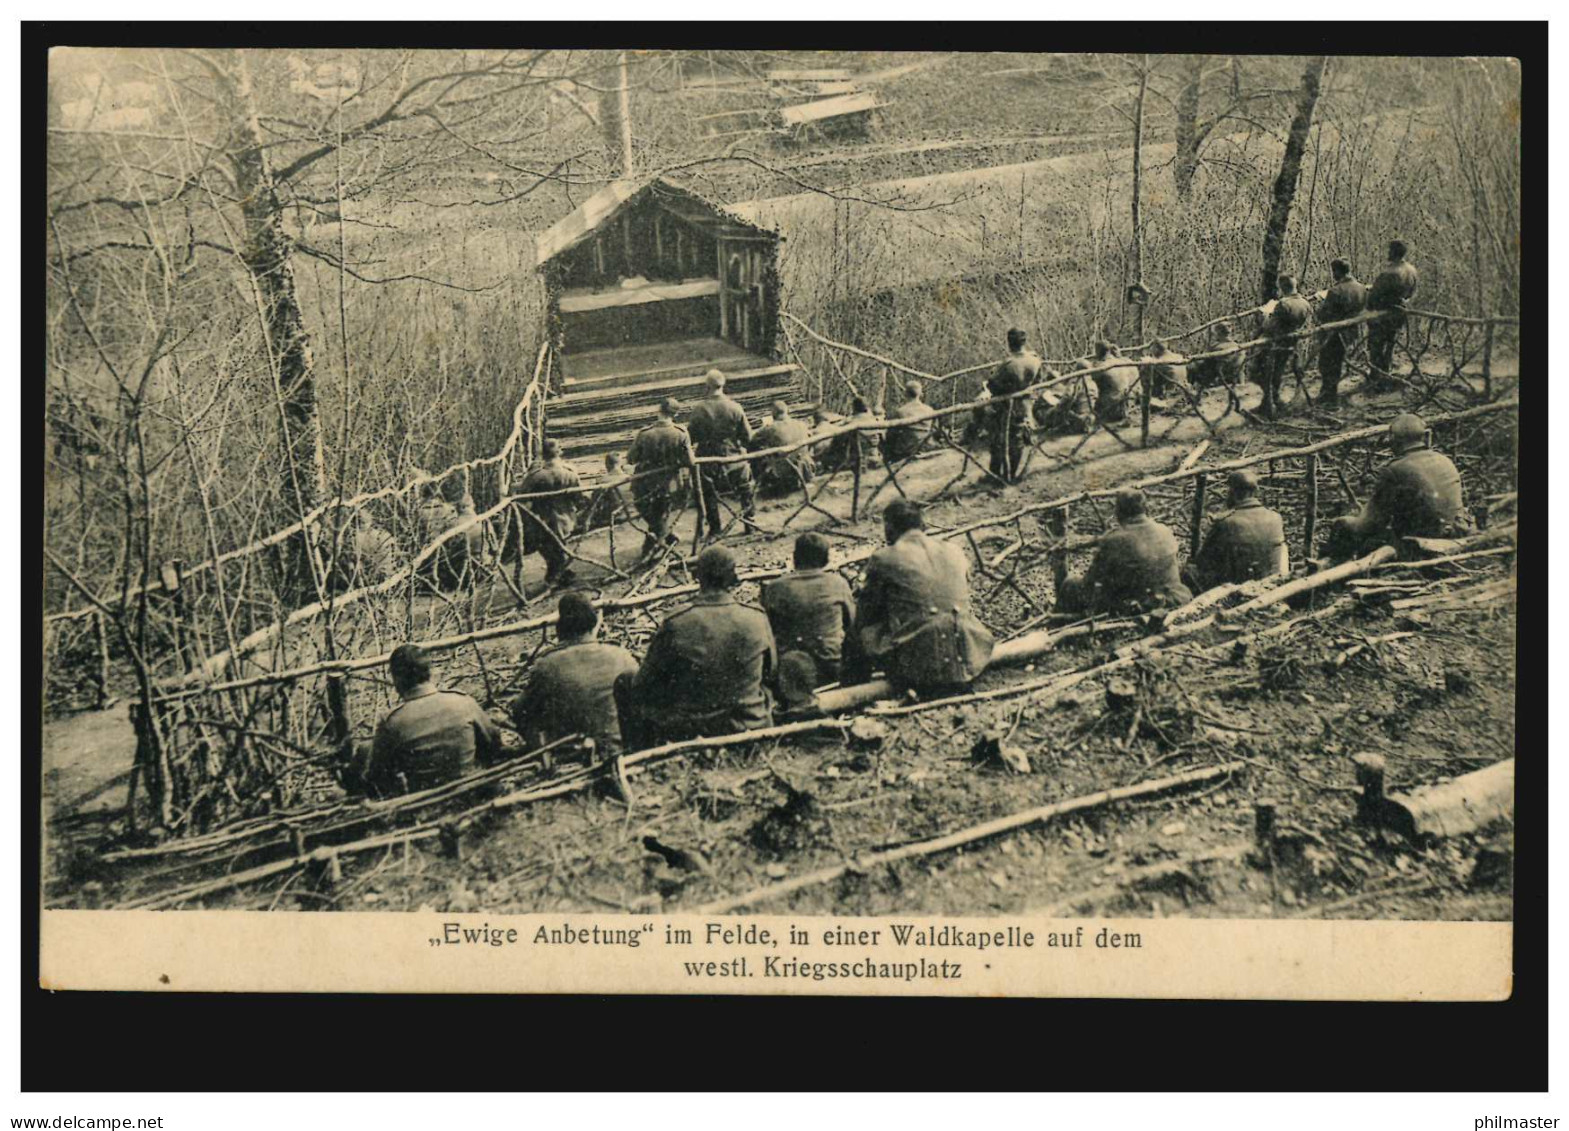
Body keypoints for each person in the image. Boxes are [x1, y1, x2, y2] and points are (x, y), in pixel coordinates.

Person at [615, 545, 776, 749]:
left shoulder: (677, 621)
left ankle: (636, 757)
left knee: (626, 681)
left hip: (691, 733)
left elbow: (643, 684)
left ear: (699, 577)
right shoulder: (756, 617)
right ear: (732, 578)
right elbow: (771, 673)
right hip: (749, 726)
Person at [844, 500, 995, 693]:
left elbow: (866, 615)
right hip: (970, 655)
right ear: (922, 525)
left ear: (889, 527)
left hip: (922, 665)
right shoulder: (954, 550)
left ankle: (853, 691)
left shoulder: (883, 558)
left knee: (856, 632)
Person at [351, 644, 500, 796]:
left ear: (397, 680)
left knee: (364, 751)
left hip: (424, 801)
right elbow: (494, 744)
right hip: (469, 791)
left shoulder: (392, 721)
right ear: (430, 672)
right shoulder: (463, 701)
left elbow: (377, 776)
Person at [509, 593, 639, 760]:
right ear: (594, 623)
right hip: (622, 747)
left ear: (560, 628)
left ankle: (542, 757)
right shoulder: (621, 655)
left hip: (571, 753)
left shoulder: (547, 664)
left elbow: (522, 711)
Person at [1322, 413, 1470, 559]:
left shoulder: (1396, 470)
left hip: (1418, 546)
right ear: (1425, 436)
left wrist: (1344, 523)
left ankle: (1330, 576)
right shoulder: (1445, 461)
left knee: (1344, 527)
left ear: (1393, 440)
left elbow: (1369, 525)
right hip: (1455, 536)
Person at [1057, 487, 1192, 615]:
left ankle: (1057, 632)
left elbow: (1090, 582)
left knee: (1071, 584)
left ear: (1119, 512)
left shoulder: (1115, 539)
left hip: (1139, 605)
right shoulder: (1165, 530)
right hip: (1175, 597)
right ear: (1145, 508)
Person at [760, 533, 856, 709]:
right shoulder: (838, 583)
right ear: (826, 559)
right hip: (832, 666)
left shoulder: (775, 588)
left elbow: (766, 631)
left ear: (795, 557)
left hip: (791, 672)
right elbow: (852, 624)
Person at [1181, 470, 1289, 596]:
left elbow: (1203, 561)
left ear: (1232, 492)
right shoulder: (1275, 517)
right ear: (1256, 492)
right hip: (1271, 580)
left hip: (1236, 586)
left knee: (1189, 570)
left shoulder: (1226, 523)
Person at [687, 369, 756, 539]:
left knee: (707, 492)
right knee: (746, 487)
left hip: (708, 461)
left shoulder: (698, 410)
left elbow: (691, 438)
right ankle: (750, 523)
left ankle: (715, 528)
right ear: (723, 385)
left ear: (707, 386)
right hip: (733, 460)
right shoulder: (735, 408)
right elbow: (747, 437)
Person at [624, 398, 690, 563]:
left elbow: (631, 459)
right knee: (661, 512)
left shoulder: (645, 434)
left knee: (651, 513)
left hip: (645, 485)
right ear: (676, 414)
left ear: (658, 410)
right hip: (669, 485)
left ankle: (652, 548)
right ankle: (666, 537)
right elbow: (690, 461)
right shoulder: (681, 433)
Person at [511, 439, 581, 589]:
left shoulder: (536, 476)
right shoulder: (570, 473)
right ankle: (560, 575)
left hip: (543, 522)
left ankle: (556, 577)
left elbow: (523, 494)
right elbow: (578, 497)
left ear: (542, 454)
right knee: (558, 548)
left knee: (550, 550)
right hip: (566, 520)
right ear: (560, 452)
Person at [1365, 240, 1420, 391]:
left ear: (1394, 252)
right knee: (1390, 346)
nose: (1387, 253)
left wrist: (1369, 309)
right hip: (1400, 313)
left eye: (1389, 250)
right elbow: (1413, 293)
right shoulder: (1411, 270)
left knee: (1376, 347)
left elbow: (1375, 296)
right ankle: (1386, 375)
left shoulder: (1389, 272)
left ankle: (1376, 380)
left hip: (1383, 315)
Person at [987, 328, 1040, 481]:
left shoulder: (1008, 364)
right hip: (1026, 403)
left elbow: (992, 385)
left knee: (998, 439)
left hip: (1007, 406)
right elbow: (1039, 381)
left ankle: (997, 476)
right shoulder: (1035, 360)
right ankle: (1012, 474)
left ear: (1009, 343)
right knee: (1017, 440)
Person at [1316, 258, 1368, 406]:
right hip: (1351, 332)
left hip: (1334, 334)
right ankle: (1329, 393)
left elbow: (1322, 314)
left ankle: (1329, 396)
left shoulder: (1335, 291)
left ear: (1338, 272)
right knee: (1337, 363)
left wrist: (1321, 302)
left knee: (1327, 364)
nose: (1334, 275)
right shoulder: (1361, 287)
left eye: (1334, 272)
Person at [1260, 275, 1313, 418]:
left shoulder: (1283, 304)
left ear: (1281, 288)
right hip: (1294, 342)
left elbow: (1269, 327)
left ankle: (1271, 403)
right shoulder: (1305, 303)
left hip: (1279, 344)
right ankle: (1282, 399)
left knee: (1268, 371)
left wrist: (1265, 314)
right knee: (1284, 370)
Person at [324, 506, 397, 593]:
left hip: (378, 576)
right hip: (358, 577)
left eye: (363, 521)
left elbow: (389, 561)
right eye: (358, 520)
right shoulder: (351, 536)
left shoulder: (381, 536)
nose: (360, 523)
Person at [750, 399, 814, 496]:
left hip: (784, 474)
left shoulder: (770, 428)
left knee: (757, 453)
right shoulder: (801, 425)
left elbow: (752, 441)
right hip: (805, 470)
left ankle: (760, 484)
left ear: (773, 413)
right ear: (787, 411)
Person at [882, 380, 935, 463]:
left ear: (906, 394)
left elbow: (891, 435)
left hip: (906, 450)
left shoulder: (901, 411)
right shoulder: (929, 410)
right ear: (920, 394)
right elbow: (934, 430)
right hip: (925, 446)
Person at [1091, 339, 1142, 426]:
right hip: (1130, 404)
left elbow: (1090, 377)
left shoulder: (1101, 367)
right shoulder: (1125, 361)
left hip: (1112, 409)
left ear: (1098, 352)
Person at [1191, 321, 1246, 394]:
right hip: (1237, 380)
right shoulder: (1240, 347)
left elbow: (1207, 365)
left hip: (1221, 381)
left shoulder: (1217, 347)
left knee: (1193, 366)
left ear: (1219, 332)